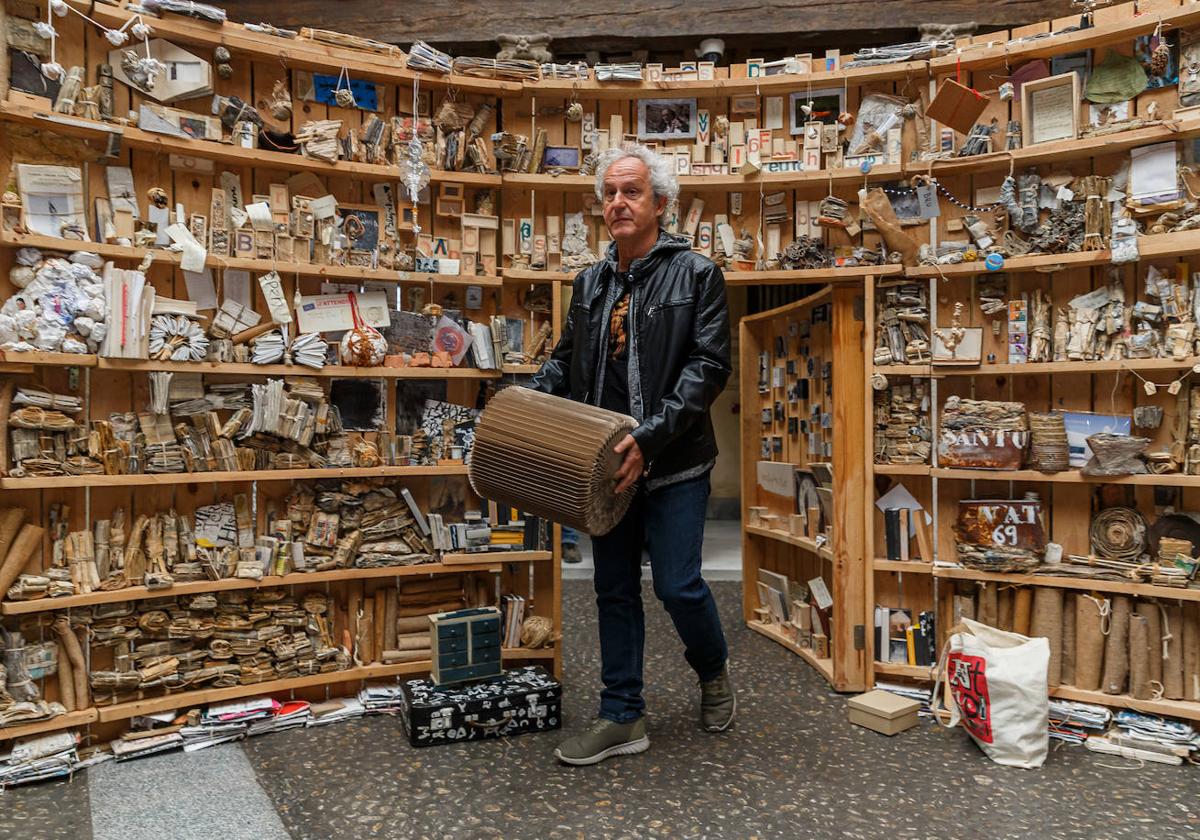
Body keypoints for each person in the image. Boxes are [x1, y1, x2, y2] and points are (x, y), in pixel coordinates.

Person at [530, 144, 734, 766]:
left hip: (674, 461)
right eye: (610, 193)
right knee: (613, 587)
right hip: (604, 465)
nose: (618, 202)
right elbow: (567, 360)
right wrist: (531, 399)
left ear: (660, 204)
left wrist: (647, 439)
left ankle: (713, 668)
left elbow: (707, 369)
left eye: (632, 192)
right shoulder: (588, 282)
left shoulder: (697, 274)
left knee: (678, 585)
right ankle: (623, 714)